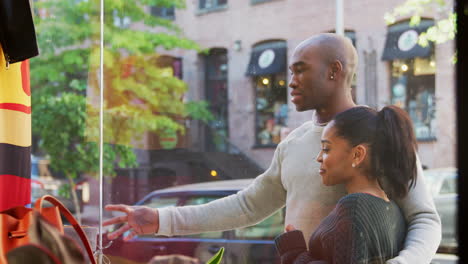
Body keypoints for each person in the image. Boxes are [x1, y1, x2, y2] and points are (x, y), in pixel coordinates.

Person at [103, 33, 441, 264]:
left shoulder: (378, 134)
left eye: (300, 70)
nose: (290, 81)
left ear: (335, 71)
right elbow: (248, 205)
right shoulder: (292, 143)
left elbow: (424, 218)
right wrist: (161, 218)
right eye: (290, 71)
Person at [275, 105, 417, 264]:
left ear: (357, 155)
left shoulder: (354, 207)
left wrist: (294, 253)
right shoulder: (393, 210)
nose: (319, 157)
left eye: (326, 148)